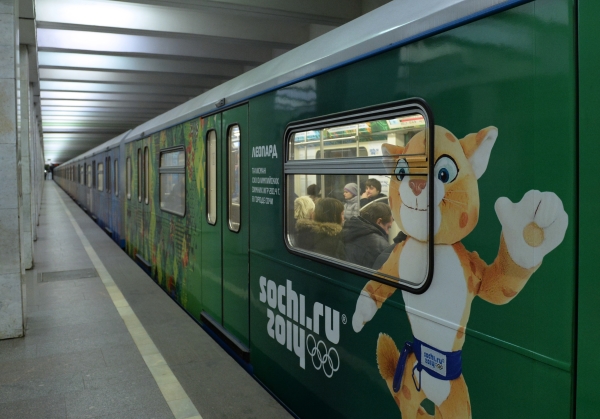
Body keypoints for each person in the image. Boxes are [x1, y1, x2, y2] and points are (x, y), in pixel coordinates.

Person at [342, 202, 393, 268]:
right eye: (388, 227)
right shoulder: (381, 246)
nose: (387, 232)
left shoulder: (347, 230)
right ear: (379, 221)